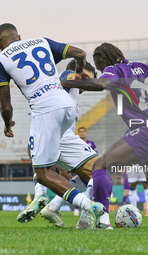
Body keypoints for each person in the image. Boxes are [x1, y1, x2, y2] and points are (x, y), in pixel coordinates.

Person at [0, 23, 104, 229]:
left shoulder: (0, 60)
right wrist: (80, 75)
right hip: (67, 107)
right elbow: (80, 53)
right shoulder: (41, 41)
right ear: (19, 36)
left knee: (43, 173)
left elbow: (6, 104)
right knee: (43, 152)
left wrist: (7, 124)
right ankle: (48, 201)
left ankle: (86, 206)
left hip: (44, 109)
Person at [61, 42, 148, 217]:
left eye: (99, 66)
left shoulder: (114, 70)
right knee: (145, 159)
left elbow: (103, 84)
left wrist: (66, 83)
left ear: (103, 60)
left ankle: (100, 218)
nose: (102, 70)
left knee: (100, 165)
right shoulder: (144, 68)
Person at [38, 60, 112, 229]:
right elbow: (66, 77)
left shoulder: (70, 91)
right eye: (85, 77)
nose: (86, 82)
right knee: (101, 170)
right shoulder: (67, 78)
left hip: (54, 138)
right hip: (61, 138)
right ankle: (91, 219)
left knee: (88, 179)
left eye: (90, 79)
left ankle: (54, 207)